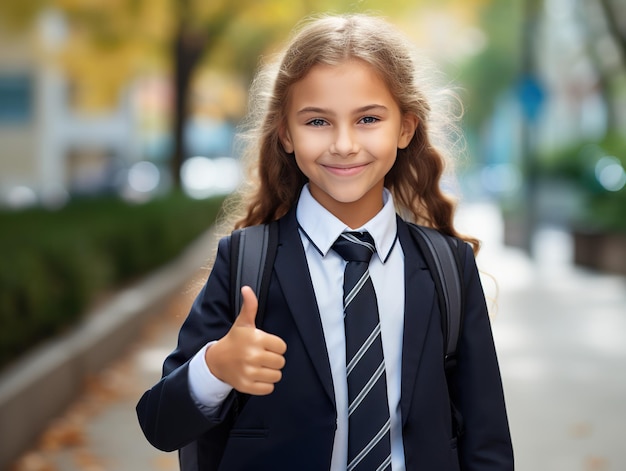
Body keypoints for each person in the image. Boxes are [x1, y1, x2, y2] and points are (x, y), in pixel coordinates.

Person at [136, 13, 514, 471]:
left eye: (368, 119)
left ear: (405, 128)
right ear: (286, 134)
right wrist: (215, 368)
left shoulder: (448, 268)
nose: (344, 144)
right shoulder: (245, 262)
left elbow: (487, 439)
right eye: (317, 121)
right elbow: (159, 423)